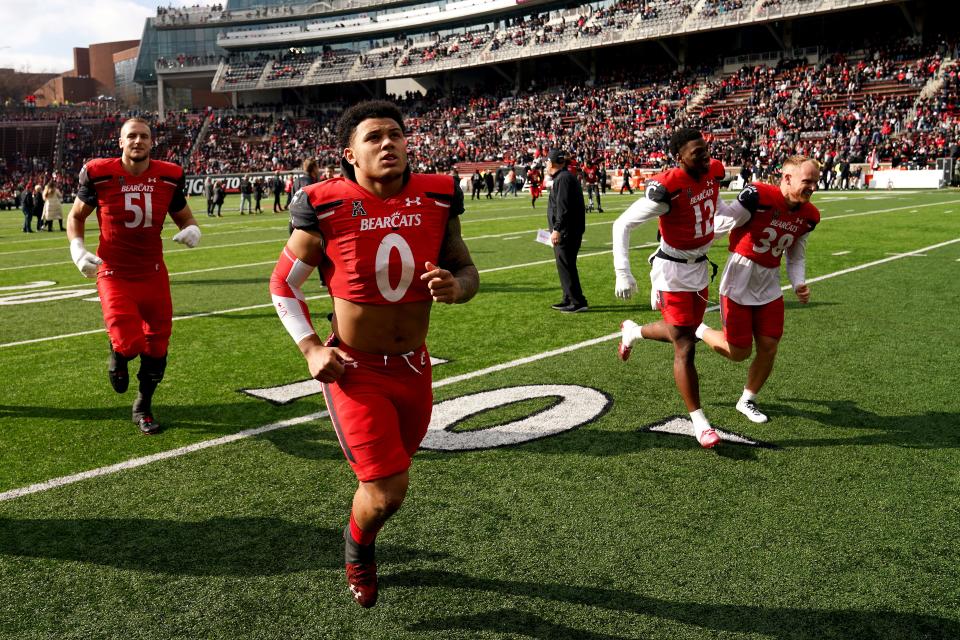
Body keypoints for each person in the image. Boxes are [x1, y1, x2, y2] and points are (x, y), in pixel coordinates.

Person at [269, 100, 479, 609]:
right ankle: (357, 552)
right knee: (386, 490)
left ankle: (364, 533)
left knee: (394, 482)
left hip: (414, 367)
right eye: (374, 137)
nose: (388, 143)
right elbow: (283, 285)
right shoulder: (325, 204)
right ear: (351, 154)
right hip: (354, 371)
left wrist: (458, 287)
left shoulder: (438, 196)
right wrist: (311, 347)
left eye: (395, 134)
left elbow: (467, 272)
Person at [66, 116, 201, 435]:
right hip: (113, 271)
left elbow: (185, 216)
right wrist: (76, 248)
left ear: (152, 142)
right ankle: (119, 354)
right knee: (129, 342)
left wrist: (193, 229)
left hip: (153, 272)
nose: (138, 141)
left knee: (157, 346)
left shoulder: (169, 176)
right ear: (121, 142)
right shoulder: (100, 172)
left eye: (144, 136)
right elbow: (76, 215)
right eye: (132, 136)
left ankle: (143, 406)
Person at [613, 128, 726, 449]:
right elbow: (622, 224)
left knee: (684, 332)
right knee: (685, 344)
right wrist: (623, 272)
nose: (705, 157)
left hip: (701, 267)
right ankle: (700, 422)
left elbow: (716, 204)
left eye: (705, 149)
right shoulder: (668, 187)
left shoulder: (713, 171)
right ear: (679, 157)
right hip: (672, 270)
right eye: (696, 153)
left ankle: (633, 333)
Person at [696, 156, 821, 424]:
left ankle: (747, 399)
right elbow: (724, 223)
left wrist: (798, 282)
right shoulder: (759, 196)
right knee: (738, 352)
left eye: (815, 182)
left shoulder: (809, 215)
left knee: (769, 346)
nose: (812, 187)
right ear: (787, 178)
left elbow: (796, 255)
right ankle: (699, 329)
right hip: (739, 279)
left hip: (770, 285)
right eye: (807, 181)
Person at [546, 149, 588, 313]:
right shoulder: (563, 177)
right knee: (565, 265)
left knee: (567, 265)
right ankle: (568, 297)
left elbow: (563, 208)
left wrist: (557, 229)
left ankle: (578, 301)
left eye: (548, 162)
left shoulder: (563, 179)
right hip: (567, 230)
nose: (546, 165)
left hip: (567, 231)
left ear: (553, 162)